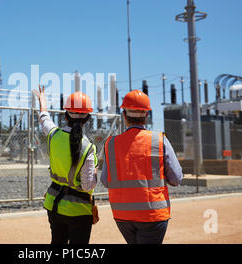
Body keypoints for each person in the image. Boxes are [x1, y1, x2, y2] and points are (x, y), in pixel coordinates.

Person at [100, 89, 183, 244]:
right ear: (147, 115)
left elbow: (105, 180)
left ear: (124, 116)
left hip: (122, 215)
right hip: (152, 214)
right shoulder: (159, 140)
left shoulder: (110, 144)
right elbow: (177, 178)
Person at [33, 85, 99, 244]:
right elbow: (87, 185)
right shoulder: (88, 147)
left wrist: (42, 100)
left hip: (53, 204)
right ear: (87, 118)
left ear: (65, 115)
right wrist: (96, 170)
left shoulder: (53, 135)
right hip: (78, 210)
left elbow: (44, 118)